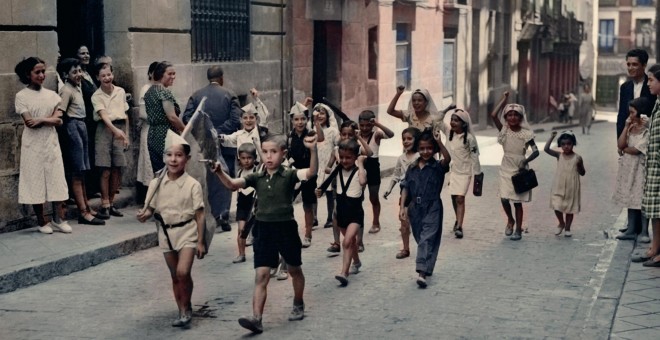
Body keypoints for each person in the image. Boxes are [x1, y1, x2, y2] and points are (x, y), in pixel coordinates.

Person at [211, 134, 318, 334]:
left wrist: (313, 150)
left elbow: (312, 172)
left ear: (283, 154)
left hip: (286, 229)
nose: (268, 157)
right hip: (263, 230)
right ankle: (257, 318)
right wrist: (219, 172)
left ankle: (298, 302)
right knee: (261, 275)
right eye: (265, 152)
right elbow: (233, 184)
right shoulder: (256, 177)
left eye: (274, 152)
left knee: (294, 270)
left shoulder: (289, 174)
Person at [137, 130, 206, 327]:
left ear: (187, 158)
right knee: (175, 275)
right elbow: (150, 208)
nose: (173, 160)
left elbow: (199, 214)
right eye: (169, 155)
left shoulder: (193, 185)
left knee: (183, 272)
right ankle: (183, 308)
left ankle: (186, 307)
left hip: (187, 232)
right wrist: (145, 215)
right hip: (166, 234)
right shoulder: (156, 184)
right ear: (164, 157)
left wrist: (201, 241)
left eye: (178, 155)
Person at [14, 57, 72, 234]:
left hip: (50, 142)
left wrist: (41, 119)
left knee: (56, 178)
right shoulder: (21, 96)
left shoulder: (53, 96)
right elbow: (30, 122)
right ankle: (42, 221)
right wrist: (48, 120)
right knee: (35, 179)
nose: (41, 75)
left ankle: (58, 219)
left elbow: (59, 121)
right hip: (32, 144)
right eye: (37, 72)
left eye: (43, 71)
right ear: (28, 74)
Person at [182, 65, 241, 232]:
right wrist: (219, 131)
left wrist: (206, 131)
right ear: (221, 77)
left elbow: (188, 117)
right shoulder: (230, 94)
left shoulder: (196, 95)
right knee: (225, 176)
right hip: (225, 142)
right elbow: (236, 119)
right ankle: (223, 214)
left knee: (209, 177)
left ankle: (212, 213)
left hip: (205, 143)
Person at [399, 131, 451, 288]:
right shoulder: (412, 168)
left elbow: (447, 159)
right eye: (422, 148)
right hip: (415, 208)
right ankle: (427, 265)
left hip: (433, 206)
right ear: (418, 149)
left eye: (429, 148)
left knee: (426, 239)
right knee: (419, 237)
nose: (425, 151)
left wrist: (440, 142)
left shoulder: (438, 167)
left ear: (434, 150)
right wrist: (403, 207)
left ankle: (422, 272)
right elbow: (405, 187)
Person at [56, 58, 104, 225]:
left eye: (79, 71)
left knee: (83, 171)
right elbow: (60, 113)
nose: (78, 74)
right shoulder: (66, 90)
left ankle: (88, 208)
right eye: (74, 72)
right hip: (73, 127)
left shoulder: (78, 87)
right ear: (65, 75)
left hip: (81, 126)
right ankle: (83, 212)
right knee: (77, 171)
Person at [490, 92, 540, 241]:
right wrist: (504, 99)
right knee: (504, 198)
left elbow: (536, 152)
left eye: (516, 115)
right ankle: (510, 220)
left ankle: (518, 229)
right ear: (505, 117)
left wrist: (525, 161)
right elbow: (493, 115)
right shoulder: (504, 131)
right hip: (506, 167)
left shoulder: (526, 134)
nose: (512, 117)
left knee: (518, 202)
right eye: (509, 115)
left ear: (521, 117)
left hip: (520, 169)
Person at [316, 139, 366, 286]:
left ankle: (344, 272)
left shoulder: (359, 171)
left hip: (355, 213)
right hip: (341, 213)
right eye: (342, 157)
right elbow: (326, 182)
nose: (344, 160)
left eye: (348, 158)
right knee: (349, 242)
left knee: (347, 241)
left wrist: (361, 163)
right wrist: (320, 190)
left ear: (355, 157)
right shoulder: (337, 170)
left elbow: (363, 182)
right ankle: (356, 262)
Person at [323, 120, 373, 255]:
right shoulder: (337, 150)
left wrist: (359, 138)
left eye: (350, 135)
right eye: (343, 134)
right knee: (336, 212)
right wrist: (330, 168)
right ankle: (337, 242)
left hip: (355, 184)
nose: (346, 137)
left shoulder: (356, 148)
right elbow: (328, 166)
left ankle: (359, 241)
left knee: (356, 213)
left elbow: (369, 153)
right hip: (339, 183)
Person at [436, 108, 483, 239]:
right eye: (452, 119)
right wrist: (446, 109)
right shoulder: (448, 132)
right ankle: (458, 219)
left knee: (460, 198)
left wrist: (478, 173)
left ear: (464, 123)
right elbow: (438, 121)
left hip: (464, 172)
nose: (453, 122)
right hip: (452, 171)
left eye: (456, 120)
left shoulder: (469, 139)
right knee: (453, 197)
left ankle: (459, 227)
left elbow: (474, 157)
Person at [91, 63, 129, 218]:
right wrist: (117, 131)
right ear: (97, 78)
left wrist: (126, 135)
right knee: (105, 169)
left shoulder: (120, 91)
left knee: (117, 168)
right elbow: (104, 116)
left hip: (120, 128)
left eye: (109, 74)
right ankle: (104, 204)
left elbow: (126, 115)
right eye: (103, 76)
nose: (107, 78)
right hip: (104, 129)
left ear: (113, 74)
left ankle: (112, 203)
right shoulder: (96, 96)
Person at [613, 97, 651, 242]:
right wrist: (625, 126)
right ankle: (630, 230)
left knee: (640, 198)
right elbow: (620, 143)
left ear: (640, 113)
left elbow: (637, 149)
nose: (630, 116)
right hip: (629, 168)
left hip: (640, 168)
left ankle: (644, 231)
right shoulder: (630, 127)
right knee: (630, 196)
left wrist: (624, 149)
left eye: (632, 112)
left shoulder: (646, 130)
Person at [288, 101, 325, 248]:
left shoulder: (310, 133)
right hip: (294, 173)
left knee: (307, 205)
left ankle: (308, 234)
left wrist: (317, 123)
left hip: (309, 173)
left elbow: (321, 138)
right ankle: (289, 232)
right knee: (287, 203)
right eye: (296, 119)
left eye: (303, 119)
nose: (300, 122)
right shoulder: (290, 137)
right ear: (292, 120)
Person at [384, 127, 420, 259]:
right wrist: (389, 188)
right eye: (404, 139)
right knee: (404, 222)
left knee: (419, 222)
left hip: (419, 193)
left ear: (416, 140)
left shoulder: (420, 156)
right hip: (405, 193)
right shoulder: (401, 158)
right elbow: (396, 175)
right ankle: (405, 248)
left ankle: (423, 246)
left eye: (409, 138)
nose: (406, 141)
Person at [144, 61, 186, 174]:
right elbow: (172, 117)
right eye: (170, 74)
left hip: (152, 135)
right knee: (171, 173)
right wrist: (185, 130)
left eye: (174, 74)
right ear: (161, 74)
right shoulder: (164, 92)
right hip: (166, 135)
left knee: (158, 173)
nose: (173, 77)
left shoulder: (149, 91)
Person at [637, 64, 660, 266]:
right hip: (653, 169)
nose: (649, 83)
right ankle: (655, 248)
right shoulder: (657, 105)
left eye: (652, 80)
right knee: (654, 210)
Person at [358, 110, 394, 234]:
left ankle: (376, 222)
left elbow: (391, 134)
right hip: (360, 165)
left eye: (368, 125)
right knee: (357, 196)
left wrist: (378, 124)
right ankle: (357, 221)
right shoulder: (356, 135)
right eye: (362, 125)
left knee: (373, 197)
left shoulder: (376, 135)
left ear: (372, 124)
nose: (365, 128)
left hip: (373, 166)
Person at [544, 131, 586, 237]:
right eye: (563, 144)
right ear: (560, 145)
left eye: (569, 144)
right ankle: (561, 223)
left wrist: (579, 166)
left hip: (572, 186)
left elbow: (583, 173)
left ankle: (567, 227)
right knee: (556, 205)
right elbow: (546, 149)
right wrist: (551, 137)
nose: (566, 146)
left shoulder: (578, 158)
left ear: (573, 144)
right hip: (559, 185)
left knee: (569, 208)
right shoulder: (559, 155)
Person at [76, 45, 101, 197]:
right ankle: (88, 190)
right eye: (82, 53)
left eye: (87, 53)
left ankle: (93, 187)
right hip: (85, 120)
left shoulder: (90, 73)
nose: (86, 56)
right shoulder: (77, 75)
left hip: (94, 119)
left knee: (92, 153)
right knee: (86, 154)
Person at [311, 103, 340, 229]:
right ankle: (314, 217)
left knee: (329, 192)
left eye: (322, 113)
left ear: (328, 116)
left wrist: (334, 161)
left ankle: (330, 217)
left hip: (328, 163)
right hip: (316, 163)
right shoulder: (311, 129)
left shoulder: (332, 131)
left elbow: (337, 146)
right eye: (317, 113)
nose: (320, 116)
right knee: (313, 191)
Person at [231, 143, 260, 264]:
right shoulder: (239, 173)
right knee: (241, 230)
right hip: (242, 204)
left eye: (249, 158)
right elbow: (236, 188)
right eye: (243, 158)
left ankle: (260, 253)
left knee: (257, 232)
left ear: (254, 158)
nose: (246, 161)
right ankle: (241, 254)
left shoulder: (257, 171)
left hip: (255, 204)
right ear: (239, 159)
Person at [617, 49, 656, 139]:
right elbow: (622, 115)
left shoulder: (653, 85)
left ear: (644, 65)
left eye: (634, 64)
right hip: (629, 136)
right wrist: (620, 139)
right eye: (628, 64)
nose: (630, 68)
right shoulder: (625, 87)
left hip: (648, 137)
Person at [136, 61, 160, 205]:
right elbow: (143, 113)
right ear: (150, 73)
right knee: (149, 164)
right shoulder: (146, 89)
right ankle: (150, 201)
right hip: (150, 129)